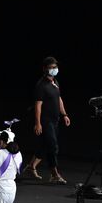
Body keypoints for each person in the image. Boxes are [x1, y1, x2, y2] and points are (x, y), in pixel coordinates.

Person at [23, 56, 71, 184]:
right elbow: (38, 105)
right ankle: (54, 174)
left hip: (55, 120)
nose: (53, 70)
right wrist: (38, 123)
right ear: (44, 69)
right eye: (51, 68)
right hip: (46, 120)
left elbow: (59, 99)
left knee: (44, 145)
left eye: (55, 67)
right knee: (53, 146)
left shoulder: (55, 82)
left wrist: (64, 115)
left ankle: (31, 167)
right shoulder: (41, 85)